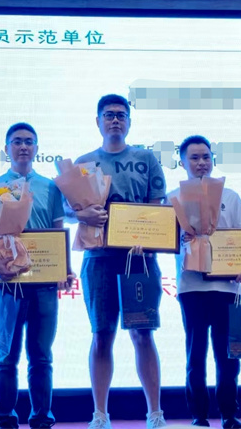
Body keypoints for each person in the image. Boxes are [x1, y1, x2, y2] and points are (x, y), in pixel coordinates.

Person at [71, 94, 168, 429]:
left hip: (139, 258)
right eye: (109, 115)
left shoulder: (146, 159)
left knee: (143, 333)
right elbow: (68, 210)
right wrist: (83, 214)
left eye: (121, 115)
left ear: (129, 121)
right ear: (98, 121)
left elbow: (156, 206)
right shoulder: (84, 163)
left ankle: (155, 414)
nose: (115, 120)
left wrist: (148, 237)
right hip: (98, 258)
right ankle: (100, 414)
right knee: (102, 335)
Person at [0, 122, 72, 429]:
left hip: (44, 283)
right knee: (6, 357)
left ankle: (41, 419)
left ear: (36, 149)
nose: (23, 146)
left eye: (29, 142)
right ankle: (4, 419)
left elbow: (58, 231)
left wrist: (65, 268)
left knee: (41, 356)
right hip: (8, 284)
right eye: (17, 141)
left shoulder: (51, 187)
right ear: (6, 148)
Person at [172, 135, 241, 429]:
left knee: (228, 354)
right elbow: (164, 240)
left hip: (226, 286)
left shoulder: (230, 196)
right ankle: (199, 416)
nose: (201, 162)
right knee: (196, 353)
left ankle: (229, 414)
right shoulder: (173, 198)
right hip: (191, 286)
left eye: (206, 157)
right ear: (183, 162)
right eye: (194, 158)